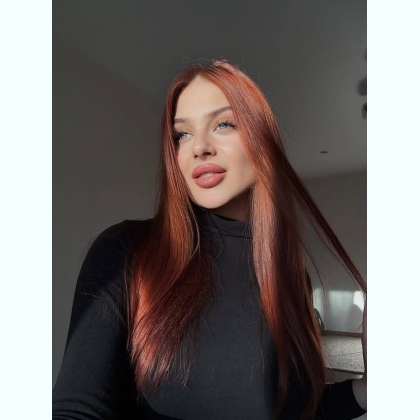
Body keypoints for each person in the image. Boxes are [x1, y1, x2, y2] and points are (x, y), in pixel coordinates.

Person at [52, 60, 367, 420]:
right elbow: (76, 410)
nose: (199, 147)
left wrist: (369, 389)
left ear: (263, 141)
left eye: (224, 124)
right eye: (182, 135)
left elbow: (298, 409)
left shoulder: (292, 277)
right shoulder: (126, 252)